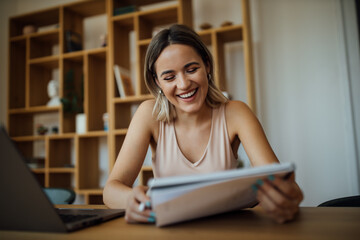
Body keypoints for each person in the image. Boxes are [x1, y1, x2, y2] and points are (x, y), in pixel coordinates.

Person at [103, 24, 303, 224]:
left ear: (207, 65)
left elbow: (281, 183)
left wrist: (285, 197)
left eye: (191, 69)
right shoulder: (149, 114)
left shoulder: (236, 113)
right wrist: (131, 199)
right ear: (157, 82)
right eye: (169, 77)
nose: (183, 84)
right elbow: (111, 189)